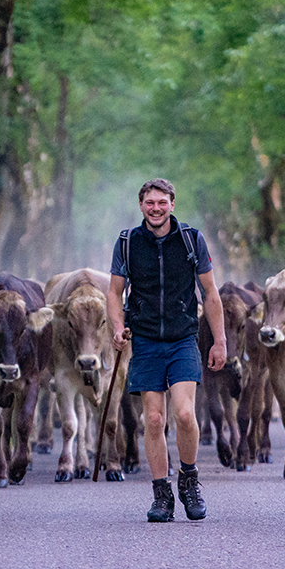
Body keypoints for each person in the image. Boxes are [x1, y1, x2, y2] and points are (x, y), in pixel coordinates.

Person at [106, 178, 227, 522]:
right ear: (141, 206)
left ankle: (189, 479)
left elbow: (210, 293)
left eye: (162, 202)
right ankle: (162, 494)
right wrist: (117, 327)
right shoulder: (128, 243)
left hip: (182, 338)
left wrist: (219, 341)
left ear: (173, 203)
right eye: (149, 203)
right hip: (144, 340)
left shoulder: (191, 240)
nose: (156, 208)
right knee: (154, 419)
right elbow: (115, 293)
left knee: (185, 415)